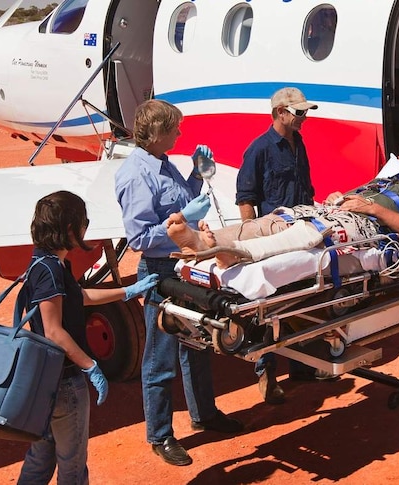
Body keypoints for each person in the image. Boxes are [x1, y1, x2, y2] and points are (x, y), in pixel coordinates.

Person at [114, 99, 243, 467]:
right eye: (175, 129)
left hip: (186, 267)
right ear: (156, 133)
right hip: (160, 272)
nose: (180, 134)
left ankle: (204, 415)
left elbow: (178, 203)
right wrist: (182, 220)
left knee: (197, 344)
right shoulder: (136, 174)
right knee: (160, 355)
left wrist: (197, 177)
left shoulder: (161, 162)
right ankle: (160, 435)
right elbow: (139, 238)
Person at [17, 190, 159, 484]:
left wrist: (128, 291)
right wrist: (89, 366)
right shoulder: (50, 271)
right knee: (72, 468)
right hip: (63, 383)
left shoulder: (46, 262)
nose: (86, 227)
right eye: (84, 221)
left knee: (40, 459)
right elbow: (54, 330)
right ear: (70, 229)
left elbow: (78, 297)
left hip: (43, 380)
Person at [169, 141, 399, 269]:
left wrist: (374, 209)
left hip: (359, 226)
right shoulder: (381, 182)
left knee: (304, 233)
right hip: (324, 212)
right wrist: (338, 197)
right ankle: (203, 241)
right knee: (270, 222)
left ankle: (235, 252)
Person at [236, 87, 319, 403]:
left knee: (300, 299)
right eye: (299, 113)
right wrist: (252, 238)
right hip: (272, 239)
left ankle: (301, 366)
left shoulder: (299, 144)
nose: (304, 118)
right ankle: (266, 373)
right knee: (268, 307)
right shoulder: (259, 149)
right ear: (279, 113)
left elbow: (306, 188)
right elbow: (246, 198)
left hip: (300, 234)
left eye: (305, 112)